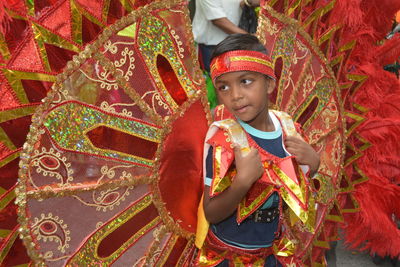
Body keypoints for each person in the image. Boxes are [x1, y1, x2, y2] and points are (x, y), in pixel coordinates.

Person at [195, 34, 320, 266]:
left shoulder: (288, 127)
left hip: (273, 253)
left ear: (270, 83)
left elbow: (294, 184)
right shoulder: (224, 139)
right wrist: (242, 183)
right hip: (229, 257)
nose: (235, 95)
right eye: (224, 87)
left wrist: (313, 164)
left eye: (245, 81)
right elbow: (211, 213)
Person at [192, 0, 260, 72]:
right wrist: (250, 37)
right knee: (216, 78)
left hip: (237, 43)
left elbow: (240, 4)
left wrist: (247, 2)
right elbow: (218, 21)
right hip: (212, 46)